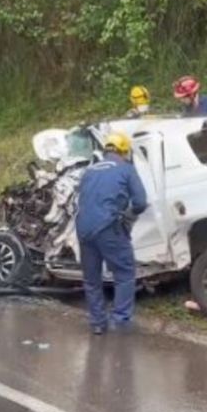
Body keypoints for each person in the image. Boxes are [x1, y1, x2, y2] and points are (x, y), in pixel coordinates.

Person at [75, 132, 148, 335]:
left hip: (83, 229)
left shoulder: (88, 172)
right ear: (124, 151)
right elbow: (141, 202)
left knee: (91, 279)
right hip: (108, 227)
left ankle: (98, 323)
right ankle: (120, 321)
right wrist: (128, 217)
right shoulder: (126, 169)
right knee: (124, 273)